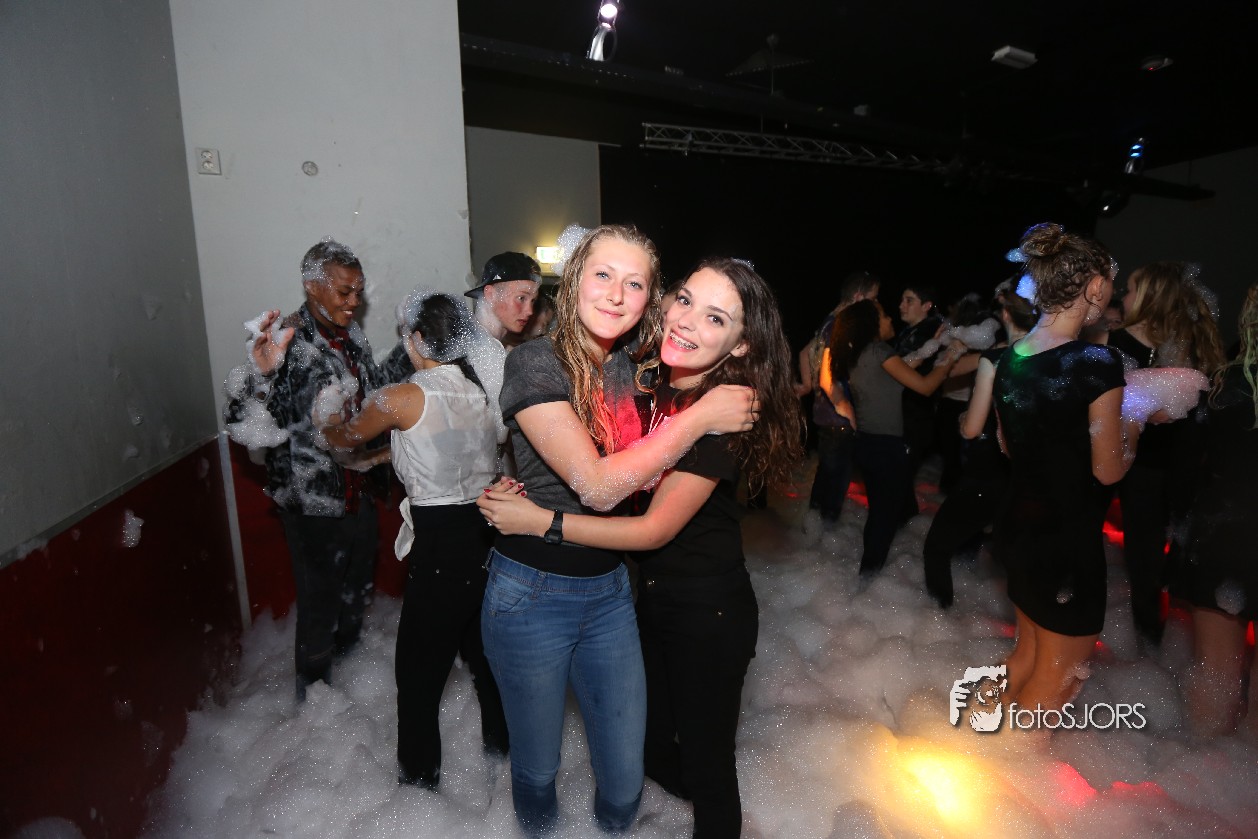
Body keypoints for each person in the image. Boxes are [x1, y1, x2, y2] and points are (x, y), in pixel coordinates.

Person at [481, 258, 802, 838]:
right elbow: (600, 463)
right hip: (646, 601)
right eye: (685, 300)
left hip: (707, 612)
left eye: (715, 318)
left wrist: (541, 520)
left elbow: (650, 529)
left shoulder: (723, 413)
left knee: (708, 768)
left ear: (740, 344)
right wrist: (524, 481)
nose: (687, 321)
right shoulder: (653, 383)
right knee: (650, 750)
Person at [312, 289, 509, 788]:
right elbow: (443, 447)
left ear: (417, 339)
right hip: (486, 538)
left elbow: (343, 436)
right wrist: (383, 458)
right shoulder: (478, 394)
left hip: (440, 546)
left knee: (418, 677)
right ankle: (502, 767)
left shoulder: (400, 397)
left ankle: (419, 791)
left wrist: (324, 415)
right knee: (484, 663)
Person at [222, 238, 415, 701]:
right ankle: (312, 704)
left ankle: (347, 688)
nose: (354, 301)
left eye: (359, 292)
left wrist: (412, 348)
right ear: (312, 286)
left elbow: (373, 393)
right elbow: (240, 418)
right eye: (345, 291)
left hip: (357, 488)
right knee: (319, 603)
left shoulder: (352, 337)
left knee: (356, 592)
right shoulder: (286, 342)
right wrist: (261, 375)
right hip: (311, 501)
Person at [991, 223, 1138, 712]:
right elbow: (1108, 471)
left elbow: (1008, 446)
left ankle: (981, 737)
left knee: (1026, 656)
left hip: (1018, 526)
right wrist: (1136, 423)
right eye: (1111, 282)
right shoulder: (1095, 361)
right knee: (1058, 680)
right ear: (1094, 286)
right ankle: (1015, 759)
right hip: (1065, 539)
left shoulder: (1012, 356)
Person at [1107, 261, 1226, 644]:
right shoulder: (1112, 344)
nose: (1123, 295)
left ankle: (1158, 640)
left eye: (1131, 289)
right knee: (1130, 552)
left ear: (1150, 297)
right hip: (1123, 462)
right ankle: (1140, 636)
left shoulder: (1184, 350)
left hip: (1168, 469)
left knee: (1159, 559)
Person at [827, 299, 967, 580]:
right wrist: (951, 355)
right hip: (886, 448)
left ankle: (869, 573)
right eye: (883, 315)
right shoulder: (879, 351)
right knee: (885, 518)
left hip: (865, 444)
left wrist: (933, 345)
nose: (890, 319)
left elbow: (905, 366)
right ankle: (868, 577)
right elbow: (925, 387)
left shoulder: (861, 354)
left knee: (880, 512)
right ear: (871, 324)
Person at [921, 279, 1034, 608]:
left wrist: (963, 420)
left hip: (990, 468)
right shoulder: (1052, 357)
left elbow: (971, 429)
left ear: (1005, 314)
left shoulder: (996, 358)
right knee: (1016, 555)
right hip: (1032, 475)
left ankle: (939, 617)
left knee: (936, 547)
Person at [1178, 283, 1258, 737]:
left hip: (1221, 530)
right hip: (1225, 528)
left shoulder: (1221, 383)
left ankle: (1203, 767)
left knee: (1214, 671)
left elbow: (1188, 463)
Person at [803, 270, 880, 525]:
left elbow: (804, 353)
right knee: (835, 486)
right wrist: (848, 410)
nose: (875, 305)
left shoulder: (829, 320)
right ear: (858, 297)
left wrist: (807, 385)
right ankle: (825, 536)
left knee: (825, 477)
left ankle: (812, 531)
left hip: (823, 413)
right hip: (837, 417)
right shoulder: (841, 325)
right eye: (873, 298)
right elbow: (828, 379)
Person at [462, 252, 543, 443]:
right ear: (490, 294)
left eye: (533, 301)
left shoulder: (500, 352)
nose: (530, 311)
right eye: (521, 298)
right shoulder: (466, 352)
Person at [895, 284, 944, 489]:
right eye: (902, 300)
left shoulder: (929, 332)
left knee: (901, 478)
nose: (901, 306)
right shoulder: (910, 331)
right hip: (904, 412)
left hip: (916, 414)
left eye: (909, 301)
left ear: (926, 306)